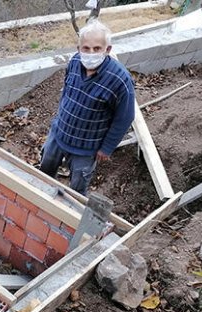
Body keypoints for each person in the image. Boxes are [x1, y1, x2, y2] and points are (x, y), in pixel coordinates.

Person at [39, 19, 136, 196]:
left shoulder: (119, 80)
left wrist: (107, 148)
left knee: (77, 188)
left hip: (86, 147)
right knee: (44, 171)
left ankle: (68, 216)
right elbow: (67, 92)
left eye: (97, 49)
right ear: (79, 48)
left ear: (107, 50)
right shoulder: (75, 62)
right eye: (86, 48)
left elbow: (125, 117)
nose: (91, 53)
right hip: (59, 133)